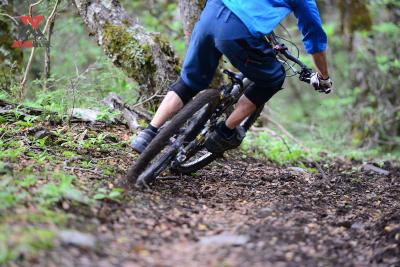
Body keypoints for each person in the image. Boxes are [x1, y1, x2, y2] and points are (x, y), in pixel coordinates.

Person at [132, 0, 333, 154]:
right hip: (238, 31)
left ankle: (149, 132)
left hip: (212, 12)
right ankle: (224, 132)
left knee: (191, 80)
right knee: (273, 78)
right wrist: (323, 77)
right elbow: (315, 40)